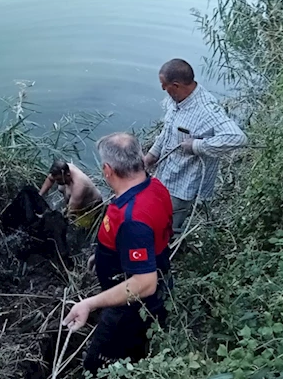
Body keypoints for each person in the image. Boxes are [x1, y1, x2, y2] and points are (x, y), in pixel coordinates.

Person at [62, 133, 172, 374]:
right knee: (135, 354)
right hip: (145, 286)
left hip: (132, 307)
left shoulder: (134, 219)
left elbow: (145, 283)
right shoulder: (154, 186)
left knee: (96, 366)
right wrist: (103, 255)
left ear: (107, 170)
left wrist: (89, 304)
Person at [144, 59, 247, 234]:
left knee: (170, 226)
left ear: (176, 85)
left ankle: (169, 250)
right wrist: (153, 154)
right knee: (156, 215)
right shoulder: (176, 101)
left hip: (184, 182)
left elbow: (238, 138)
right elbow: (167, 130)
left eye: (164, 86)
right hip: (165, 173)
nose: (163, 90)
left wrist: (197, 145)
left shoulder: (206, 110)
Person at [39, 159, 102, 228]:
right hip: (72, 201)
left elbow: (71, 211)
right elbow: (50, 179)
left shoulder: (79, 185)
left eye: (59, 180)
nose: (56, 182)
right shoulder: (62, 169)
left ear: (68, 175)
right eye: (56, 180)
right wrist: (40, 195)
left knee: (79, 227)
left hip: (90, 209)